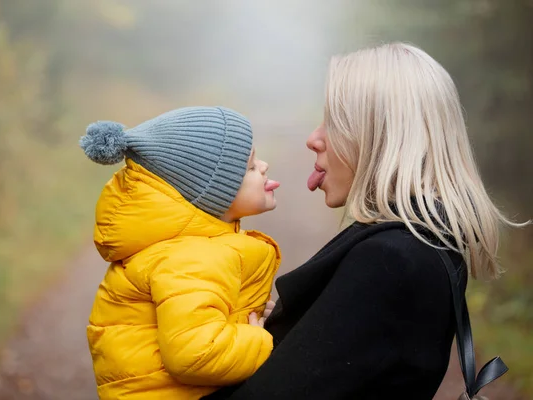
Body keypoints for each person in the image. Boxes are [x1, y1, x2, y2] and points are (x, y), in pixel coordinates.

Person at [203, 42, 527, 400]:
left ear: (380, 134)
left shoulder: (392, 260)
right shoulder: (425, 244)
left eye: (334, 123)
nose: (313, 139)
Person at [80, 106, 281, 399]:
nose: (263, 166)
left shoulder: (191, 247)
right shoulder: (189, 258)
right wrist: (261, 340)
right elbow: (196, 354)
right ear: (212, 192)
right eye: (249, 167)